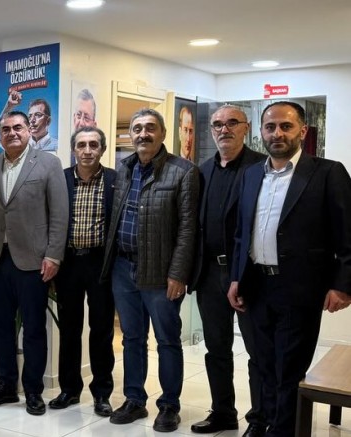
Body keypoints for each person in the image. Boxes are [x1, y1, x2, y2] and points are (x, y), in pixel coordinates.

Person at [228, 101, 351, 437]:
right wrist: (236, 277)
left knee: (289, 368)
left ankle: (283, 431)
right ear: (261, 132)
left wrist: (342, 285)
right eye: (270, 127)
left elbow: (347, 234)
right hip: (256, 286)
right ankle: (266, 421)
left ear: (303, 131)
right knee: (263, 363)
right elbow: (241, 233)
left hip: (300, 288)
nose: (277, 133)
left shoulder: (328, 173)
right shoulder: (251, 174)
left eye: (286, 126)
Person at [101, 108, 199, 433]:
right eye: (137, 128)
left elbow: (188, 228)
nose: (143, 134)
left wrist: (179, 273)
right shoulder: (124, 169)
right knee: (132, 338)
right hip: (123, 268)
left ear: (163, 133)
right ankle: (134, 399)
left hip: (161, 272)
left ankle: (169, 405)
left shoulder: (183, 172)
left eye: (150, 128)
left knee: (167, 340)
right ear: (131, 134)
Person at [0, 110, 68, 416]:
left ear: (29, 131)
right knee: (0, 327)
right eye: (6, 129)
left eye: (18, 127)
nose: (12, 133)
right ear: (0, 134)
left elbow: (59, 213)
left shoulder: (49, 164)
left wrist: (53, 255)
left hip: (33, 261)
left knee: (34, 328)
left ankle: (33, 391)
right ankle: (6, 386)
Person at [188, 105, 266, 436]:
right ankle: (223, 412)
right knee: (216, 348)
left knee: (257, 352)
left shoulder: (262, 167)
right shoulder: (202, 170)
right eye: (218, 124)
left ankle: (260, 418)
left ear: (246, 128)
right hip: (209, 273)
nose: (224, 129)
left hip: (249, 275)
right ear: (211, 130)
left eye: (232, 122)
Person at [49, 126, 115, 417]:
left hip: (101, 264)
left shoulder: (115, 180)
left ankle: (102, 393)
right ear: (73, 149)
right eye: (82, 145)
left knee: (102, 330)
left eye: (93, 145)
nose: (87, 150)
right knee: (69, 329)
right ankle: (69, 389)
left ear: (102, 149)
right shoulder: (60, 179)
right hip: (68, 263)